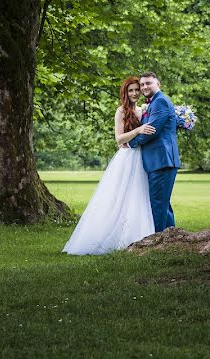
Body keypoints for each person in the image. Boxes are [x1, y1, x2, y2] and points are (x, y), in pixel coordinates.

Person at [62, 77, 156, 255]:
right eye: (131, 91)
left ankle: (138, 236)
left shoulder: (144, 110)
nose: (135, 93)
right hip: (127, 157)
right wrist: (138, 130)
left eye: (137, 89)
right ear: (125, 93)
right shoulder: (121, 111)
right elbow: (119, 140)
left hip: (141, 157)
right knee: (118, 197)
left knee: (138, 196)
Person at [127, 71, 180, 232]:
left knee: (157, 203)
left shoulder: (160, 102)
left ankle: (157, 239)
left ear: (158, 84)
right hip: (159, 160)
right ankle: (170, 237)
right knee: (163, 203)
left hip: (161, 160)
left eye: (148, 83)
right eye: (142, 84)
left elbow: (151, 131)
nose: (144, 87)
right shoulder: (154, 102)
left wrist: (130, 143)